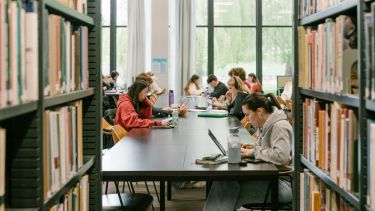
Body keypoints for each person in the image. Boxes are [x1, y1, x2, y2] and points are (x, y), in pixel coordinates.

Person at [203, 92, 293, 211]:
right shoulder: (265, 124)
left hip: (281, 185)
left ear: (259, 111)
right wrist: (252, 147)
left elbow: (281, 157)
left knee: (225, 189)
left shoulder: (279, 126)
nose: (246, 119)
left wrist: (253, 152)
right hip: (269, 178)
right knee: (224, 182)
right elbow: (268, 149)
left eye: (247, 115)